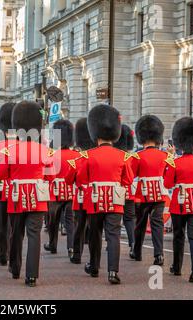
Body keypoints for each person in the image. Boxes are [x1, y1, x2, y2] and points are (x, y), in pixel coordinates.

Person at [0, 101, 54, 287]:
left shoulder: (10, 150)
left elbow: (2, 174)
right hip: (38, 195)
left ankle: (15, 268)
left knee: (16, 233)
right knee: (34, 235)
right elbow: (51, 175)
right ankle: (31, 275)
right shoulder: (44, 150)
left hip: (16, 196)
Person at [77, 104, 133, 285]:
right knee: (113, 235)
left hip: (94, 200)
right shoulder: (122, 156)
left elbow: (81, 180)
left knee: (95, 233)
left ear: (96, 134)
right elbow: (128, 180)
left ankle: (94, 267)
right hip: (115, 199)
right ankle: (113, 272)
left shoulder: (88, 155)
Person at [164, 117, 193, 282]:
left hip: (179, 204)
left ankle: (177, 267)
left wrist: (169, 161)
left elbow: (168, 183)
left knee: (178, 235)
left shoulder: (175, 163)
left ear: (180, 142)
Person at [130, 115, 169, 266]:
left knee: (140, 224)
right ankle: (159, 254)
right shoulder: (165, 155)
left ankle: (137, 251)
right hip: (159, 193)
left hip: (142, 195)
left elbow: (132, 175)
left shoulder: (138, 156)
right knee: (157, 224)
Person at [44, 119, 79, 257]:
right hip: (71, 192)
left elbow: (46, 175)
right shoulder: (76, 156)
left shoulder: (51, 155)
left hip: (54, 192)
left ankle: (53, 245)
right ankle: (71, 247)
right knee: (70, 221)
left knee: (53, 221)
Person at [65, 117, 96, 265]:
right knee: (95, 228)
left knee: (80, 227)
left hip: (81, 198)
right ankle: (94, 259)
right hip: (97, 197)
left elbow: (68, 180)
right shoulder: (96, 157)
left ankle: (77, 254)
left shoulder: (78, 159)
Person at [0, 102, 17, 266]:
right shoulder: (25, 146)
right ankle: (13, 253)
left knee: (2, 224)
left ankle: (3, 254)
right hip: (19, 190)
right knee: (15, 226)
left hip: (2, 191)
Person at [113, 124, 138, 257]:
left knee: (114, 220)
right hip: (128, 192)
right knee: (129, 219)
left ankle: (112, 243)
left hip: (116, 191)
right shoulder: (130, 157)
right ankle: (133, 243)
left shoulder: (115, 156)